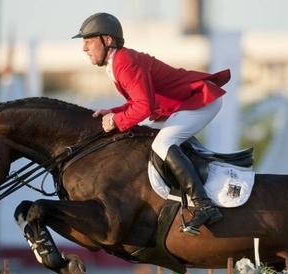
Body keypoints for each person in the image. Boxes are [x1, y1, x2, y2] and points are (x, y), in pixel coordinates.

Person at [73, 13, 231, 235]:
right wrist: (114, 111)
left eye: (88, 41)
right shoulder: (118, 61)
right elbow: (140, 100)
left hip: (201, 100)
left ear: (107, 40)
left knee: (162, 144)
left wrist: (117, 121)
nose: (84, 48)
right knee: (149, 138)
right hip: (184, 103)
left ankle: (205, 205)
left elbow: (144, 108)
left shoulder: (124, 62)